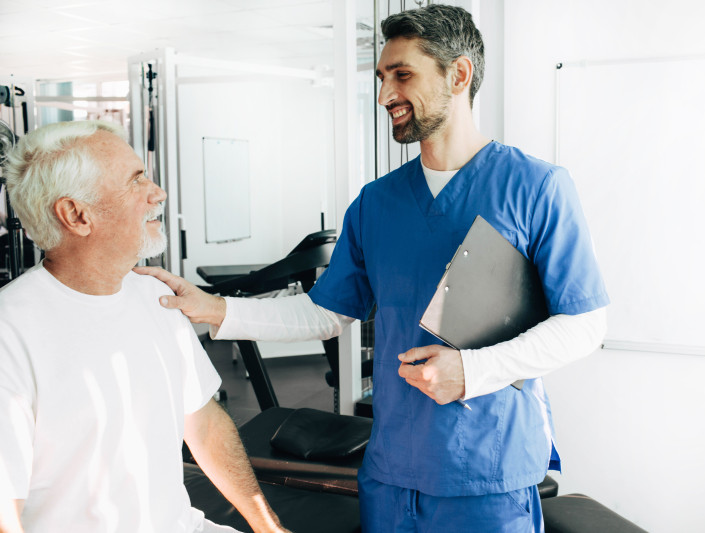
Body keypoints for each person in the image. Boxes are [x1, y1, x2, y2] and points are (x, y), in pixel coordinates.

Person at [138, 5, 609, 532]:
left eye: (402, 75)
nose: (385, 96)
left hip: (486, 476)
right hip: (390, 473)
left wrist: (472, 371)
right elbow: (326, 313)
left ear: (459, 75)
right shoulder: (375, 203)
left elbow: (586, 324)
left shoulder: (536, 187)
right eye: (382, 79)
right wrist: (215, 309)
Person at [0, 121, 288, 533]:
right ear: (77, 215)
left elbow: (204, 422)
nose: (158, 194)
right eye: (136, 181)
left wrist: (266, 526)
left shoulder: (155, 297)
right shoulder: (10, 332)